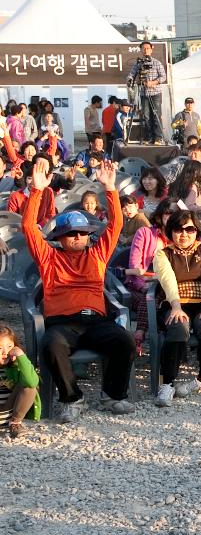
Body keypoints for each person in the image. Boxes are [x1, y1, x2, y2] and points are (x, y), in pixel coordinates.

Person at [23, 158, 135, 420]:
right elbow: (28, 227)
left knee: (125, 341)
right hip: (62, 324)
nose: (77, 237)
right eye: (71, 233)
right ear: (60, 237)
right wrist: (37, 191)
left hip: (96, 321)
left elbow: (116, 225)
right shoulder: (48, 257)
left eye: (82, 233)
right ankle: (73, 398)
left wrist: (110, 188)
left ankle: (112, 395)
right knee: (51, 345)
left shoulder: (96, 254)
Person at [151, 210, 201, 406]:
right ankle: (167, 383)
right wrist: (175, 305)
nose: (184, 234)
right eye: (178, 229)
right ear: (170, 231)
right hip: (175, 303)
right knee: (177, 326)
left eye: (190, 229)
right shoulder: (163, 253)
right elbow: (167, 279)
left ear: (197, 230)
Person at [0, 326, 40, 439]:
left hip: (9, 413)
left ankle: (15, 424)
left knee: (29, 387)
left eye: (9, 347)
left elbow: (32, 382)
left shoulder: (16, 366)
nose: (5, 352)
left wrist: (21, 357)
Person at [127, 41, 167, 143]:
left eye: (147, 48)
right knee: (146, 116)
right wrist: (130, 79)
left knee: (156, 115)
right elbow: (131, 74)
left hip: (156, 93)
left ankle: (158, 138)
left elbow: (163, 77)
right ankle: (149, 137)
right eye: (143, 49)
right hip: (143, 93)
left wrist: (153, 82)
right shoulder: (138, 64)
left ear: (151, 49)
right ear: (141, 50)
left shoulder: (157, 63)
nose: (145, 50)